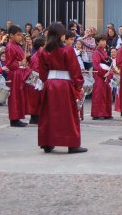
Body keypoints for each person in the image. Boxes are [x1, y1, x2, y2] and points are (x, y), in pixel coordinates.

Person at [38, 23, 86, 154]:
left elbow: (42, 72)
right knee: (68, 115)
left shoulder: (43, 51)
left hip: (50, 83)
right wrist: (79, 84)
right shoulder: (67, 50)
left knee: (49, 114)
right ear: (61, 35)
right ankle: (72, 144)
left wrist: (46, 82)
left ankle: (47, 142)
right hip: (64, 84)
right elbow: (74, 70)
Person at [6, 25, 29, 127]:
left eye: (21, 35)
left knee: (19, 96)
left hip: (19, 74)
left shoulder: (17, 46)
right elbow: (10, 64)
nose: (20, 37)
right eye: (18, 35)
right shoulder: (10, 47)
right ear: (11, 35)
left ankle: (18, 117)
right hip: (14, 74)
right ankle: (14, 119)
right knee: (14, 97)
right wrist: (20, 63)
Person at [91, 34, 113, 120]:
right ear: (97, 42)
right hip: (100, 76)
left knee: (107, 94)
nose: (104, 42)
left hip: (106, 75)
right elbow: (96, 66)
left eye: (105, 40)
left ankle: (106, 113)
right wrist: (105, 73)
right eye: (102, 40)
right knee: (99, 94)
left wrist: (109, 74)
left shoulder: (104, 51)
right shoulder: (96, 52)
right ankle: (97, 113)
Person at [25, 37, 45, 125]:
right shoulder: (38, 56)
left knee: (36, 100)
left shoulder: (36, 55)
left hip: (34, 79)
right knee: (36, 100)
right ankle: (35, 118)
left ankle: (35, 117)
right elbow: (37, 69)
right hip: (36, 80)